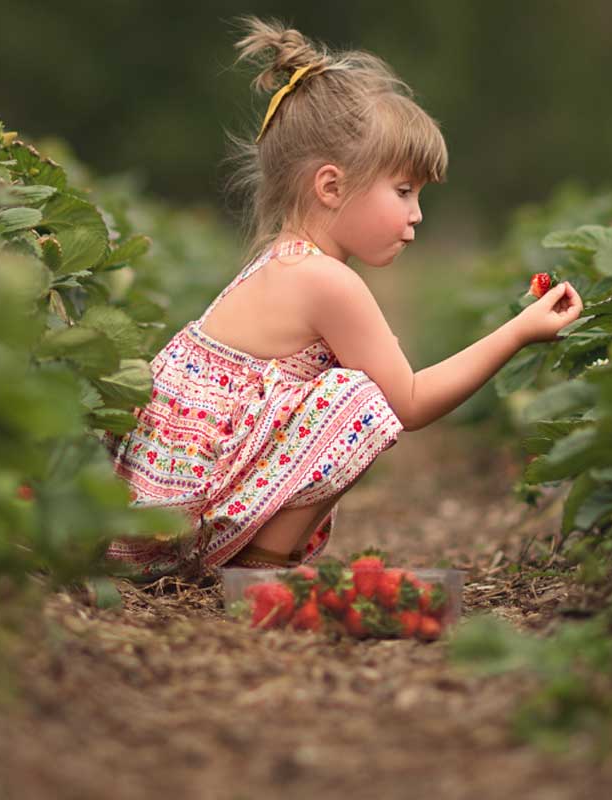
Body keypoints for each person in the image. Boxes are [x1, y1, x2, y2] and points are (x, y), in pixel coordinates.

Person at [98, 18, 583, 581]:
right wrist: (519, 332)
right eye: (403, 191)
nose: (416, 214)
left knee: (349, 396)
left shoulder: (286, 260)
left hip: (154, 504)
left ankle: (248, 560)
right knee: (360, 399)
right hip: (172, 516)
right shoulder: (327, 281)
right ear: (330, 187)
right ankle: (256, 568)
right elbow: (410, 402)